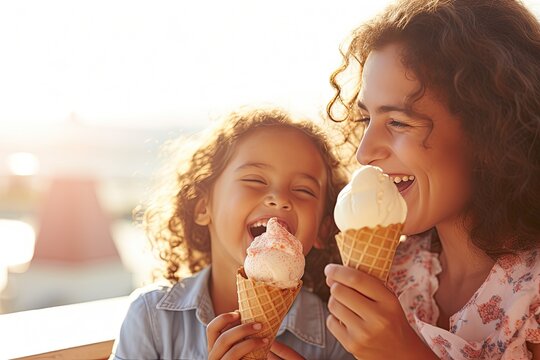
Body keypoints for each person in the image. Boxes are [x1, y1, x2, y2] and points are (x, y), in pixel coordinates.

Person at [324, 0, 540, 359]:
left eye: (398, 122)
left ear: (489, 130)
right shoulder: (397, 271)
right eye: (366, 121)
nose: (364, 153)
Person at [110, 108, 355, 359]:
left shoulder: (337, 335)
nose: (280, 198)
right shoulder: (151, 318)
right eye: (255, 180)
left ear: (323, 228)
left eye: (304, 189)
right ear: (203, 206)